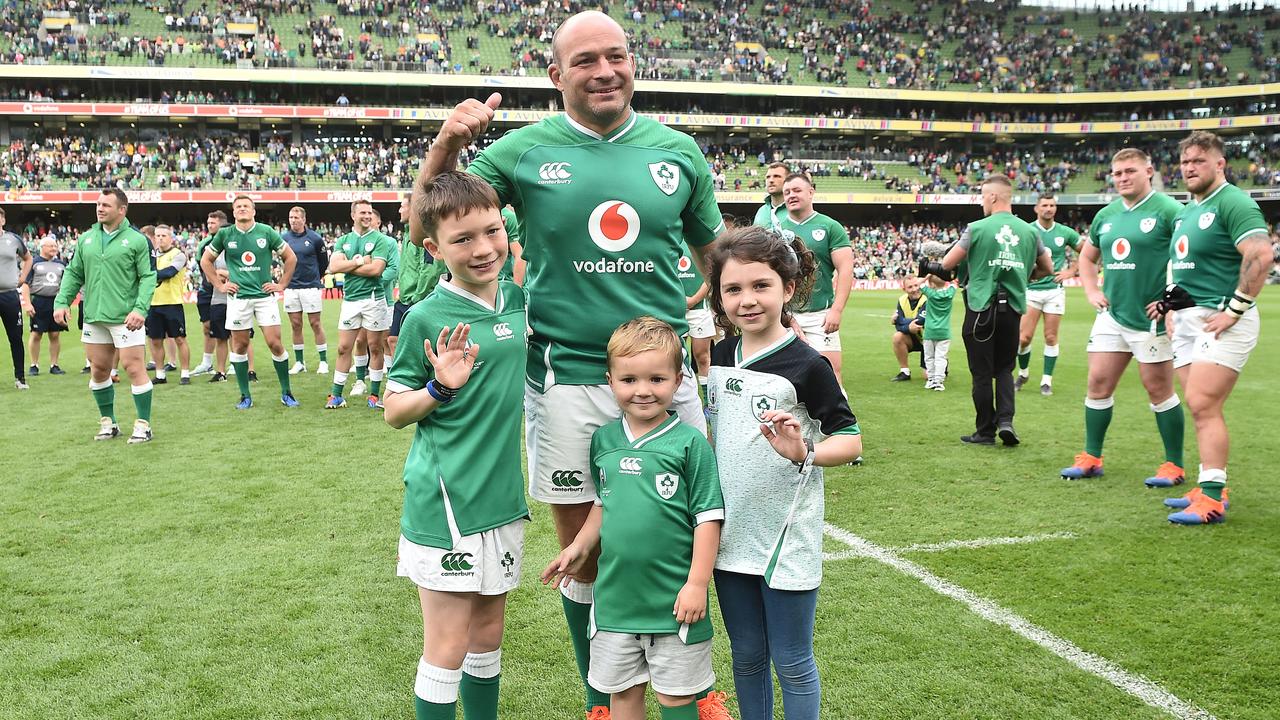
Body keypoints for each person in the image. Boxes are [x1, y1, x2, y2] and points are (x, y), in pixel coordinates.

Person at [410, 12, 725, 718]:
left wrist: (739, 317)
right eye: (585, 60)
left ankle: (690, 683)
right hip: (567, 379)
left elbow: (717, 251)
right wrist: (446, 147)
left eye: (616, 56)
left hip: (664, 376)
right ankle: (602, 699)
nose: (604, 70)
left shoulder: (677, 152)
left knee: (682, 533)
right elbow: (429, 219)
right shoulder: (524, 151)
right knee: (582, 552)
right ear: (557, 75)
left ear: (633, 64)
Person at [383, 171, 529, 720]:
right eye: (462, 239)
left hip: (502, 495)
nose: (483, 249)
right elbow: (394, 411)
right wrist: (439, 387)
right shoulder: (427, 315)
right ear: (433, 247)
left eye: (491, 232)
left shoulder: (515, 299)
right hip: (447, 498)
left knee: (488, 636)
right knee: (446, 646)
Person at [703, 226, 862, 720]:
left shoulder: (807, 364)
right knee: (747, 659)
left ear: (787, 289)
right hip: (731, 535)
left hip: (785, 537)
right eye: (733, 289)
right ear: (719, 297)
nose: (746, 300)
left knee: (792, 662)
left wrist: (804, 452)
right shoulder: (722, 356)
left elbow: (851, 440)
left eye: (760, 286)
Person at [543, 316, 724, 720]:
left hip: (674, 602)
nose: (643, 391)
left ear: (678, 381)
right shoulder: (604, 441)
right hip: (615, 602)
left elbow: (709, 519)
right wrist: (579, 545)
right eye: (629, 380)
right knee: (624, 695)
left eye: (657, 379)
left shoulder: (690, 443)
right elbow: (603, 504)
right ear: (611, 380)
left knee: (676, 697)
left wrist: (697, 584)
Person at [1150, 131, 1272, 525]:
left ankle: (1214, 498)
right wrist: (1169, 304)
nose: (1188, 168)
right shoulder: (1187, 211)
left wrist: (1234, 310)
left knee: (1203, 403)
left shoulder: (1234, 201)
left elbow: (1260, 254)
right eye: (1185, 162)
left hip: (1218, 319)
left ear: (1219, 164)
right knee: (1200, 405)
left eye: (1198, 161)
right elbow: (1181, 263)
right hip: (1186, 320)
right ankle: (1209, 484)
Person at [1059, 148, 1186, 488]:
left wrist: (1171, 301)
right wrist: (1090, 291)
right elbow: (1087, 259)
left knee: (1158, 388)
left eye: (1130, 171)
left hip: (1152, 317)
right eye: (1117, 173)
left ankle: (1174, 463)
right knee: (1098, 382)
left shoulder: (1170, 210)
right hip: (1112, 314)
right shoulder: (1107, 215)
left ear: (1149, 171)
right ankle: (1091, 457)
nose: (1123, 177)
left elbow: (1189, 256)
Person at [924, 174, 1052, 446]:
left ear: (993, 196)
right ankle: (1006, 421)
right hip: (1014, 309)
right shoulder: (1030, 231)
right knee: (1005, 369)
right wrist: (1024, 277)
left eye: (983, 196)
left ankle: (985, 432)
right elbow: (1047, 269)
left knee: (982, 373)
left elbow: (947, 264)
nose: (983, 202)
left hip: (981, 308)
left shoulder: (977, 228)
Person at [52, 189, 156, 443]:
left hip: (126, 318)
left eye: (106, 205)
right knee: (99, 369)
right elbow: (74, 273)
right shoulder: (86, 239)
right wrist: (62, 301)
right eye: (98, 204)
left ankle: (143, 425)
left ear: (122, 210)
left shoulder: (137, 240)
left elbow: (148, 277)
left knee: (133, 367)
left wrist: (140, 309)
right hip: (94, 316)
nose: (100, 208)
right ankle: (108, 423)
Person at [200, 195, 299, 409]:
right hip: (238, 298)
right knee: (240, 345)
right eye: (238, 207)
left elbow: (291, 258)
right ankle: (245, 396)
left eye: (246, 206)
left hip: (264, 297)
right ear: (234, 212)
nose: (242, 209)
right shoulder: (225, 234)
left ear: (253, 211)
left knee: (275, 343)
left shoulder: (266, 232)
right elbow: (205, 261)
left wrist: (281, 284)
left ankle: (286, 392)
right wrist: (219, 285)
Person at [777, 173, 852, 388]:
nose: (791, 195)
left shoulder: (830, 227)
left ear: (811, 192)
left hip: (820, 315)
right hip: (785, 314)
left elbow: (846, 270)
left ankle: (838, 421)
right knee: (785, 376)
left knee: (830, 372)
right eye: (787, 192)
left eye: (797, 190)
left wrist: (836, 310)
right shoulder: (776, 229)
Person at [326, 199, 395, 409]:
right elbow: (332, 266)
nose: (366, 216)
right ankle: (336, 395)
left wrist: (345, 267)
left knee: (375, 347)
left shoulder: (380, 240)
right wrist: (358, 262)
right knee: (343, 347)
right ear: (353, 215)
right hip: (350, 300)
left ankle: (374, 395)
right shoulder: (343, 240)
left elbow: (376, 270)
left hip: (374, 299)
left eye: (368, 212)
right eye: (362, 212)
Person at [1016, 193, 1082, 396]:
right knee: (1024, 338)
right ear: (1036, 208)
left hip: (1054, 292)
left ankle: (1046, 380)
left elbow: (1087, 251)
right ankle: (1024, 373)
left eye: (1052, 205)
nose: (1049, 208)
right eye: (1044, 205)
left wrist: (1071, 272)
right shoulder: (1027, 230)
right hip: (1031, 291)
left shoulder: (1064, 232)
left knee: (1051, 336)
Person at [281, 206, 330, 375]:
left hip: (310, 286)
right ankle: (300, 362)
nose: (293, 220)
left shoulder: (315, 238)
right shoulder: (284, 238)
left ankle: (323, 361)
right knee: (295, 325)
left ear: (303, 219)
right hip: (291, 287)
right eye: (291, 217)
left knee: (315, 323)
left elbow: (324, 263)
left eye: (296, 217)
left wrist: (316, 277)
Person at [388, 195, 433, 361]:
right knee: (393, 339)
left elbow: (430, 269)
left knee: (418, 344)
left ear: (413, 208)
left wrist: (417, 297)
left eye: (402, 206)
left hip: (417, 299)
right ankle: (398, 380)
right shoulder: (407, 234)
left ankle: (415, 379)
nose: (399, 210)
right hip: (404, 298)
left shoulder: (424, 234)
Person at [145, 225, 191, 385]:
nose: (160, 238)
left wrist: (147, 274)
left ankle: (185, 373)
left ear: (171, 238)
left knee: (179, 339)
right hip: (153, 304)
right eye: (157, 236)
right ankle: (160, 374)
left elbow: (168, 273)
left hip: (172, 303)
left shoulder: (178, 255)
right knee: (155, 340)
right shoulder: (149, 256)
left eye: (164, 235)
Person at [1, 208, 33, 389]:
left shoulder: (13, 239)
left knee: (15, 337)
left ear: (3, 220)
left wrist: (22, 278)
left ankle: (20, 378)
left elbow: (28, 259)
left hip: (9, 295)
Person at [26, 237, 69, 375]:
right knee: (36, 333)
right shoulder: (33, 262)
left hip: (56, 302)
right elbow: (26, 284)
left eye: (55, 246)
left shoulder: (61, 264)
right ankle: (34, 365)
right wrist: (27, 303)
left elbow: (66, 286)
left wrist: (65, 305)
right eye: (50, 246)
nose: (54, 249)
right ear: (42, 247)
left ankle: (54, 365)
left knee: (55, 334)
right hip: (39, 301)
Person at [191, 211, 227, 376]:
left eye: (213, 223)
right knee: (207, 327)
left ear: (222, 224)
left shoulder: (231, 240)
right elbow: (202, 266)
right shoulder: (204, 243)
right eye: (208, 222)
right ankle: (207, 363)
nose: (209, 226)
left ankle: (235, 361)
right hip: (207, 290)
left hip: (226, 291)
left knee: (232, 329)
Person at [679, 241, 713, 394]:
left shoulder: (699, 241)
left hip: (698, 309)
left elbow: (710, 277)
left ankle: (707, 402)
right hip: (674, 310)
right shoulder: (668, 239)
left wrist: (693, 300)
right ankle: (677, 401)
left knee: (702, 356)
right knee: (674, 358)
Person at [920, 273, 956, 391]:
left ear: (932, 284)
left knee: (929, 357)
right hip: (944, 331)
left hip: (930, 330)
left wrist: (928, 275)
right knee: (941, 357)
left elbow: (919, 284)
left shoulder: (930, 294)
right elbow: (955, 283)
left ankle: (930, 380)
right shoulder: (950, 293)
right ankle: (939, 381)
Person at [890, 277, 926, 382]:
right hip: (913, 337)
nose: (914, 289)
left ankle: (942, 362)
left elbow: (920, 321)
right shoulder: (902, 300)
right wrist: (909, 327)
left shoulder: (927, 298)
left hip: (930, 340)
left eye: (916, 285)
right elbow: (897, 325)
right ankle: (905, 372)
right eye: (910, 287)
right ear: (904, 289)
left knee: (927, 376)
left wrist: (901, 321)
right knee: (897, 337)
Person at [751, 162, 790, 229]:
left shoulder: (796, 210)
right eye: (768, 177)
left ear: (788, 180)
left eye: (777, 176)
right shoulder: (761, 211)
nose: (771, 180)